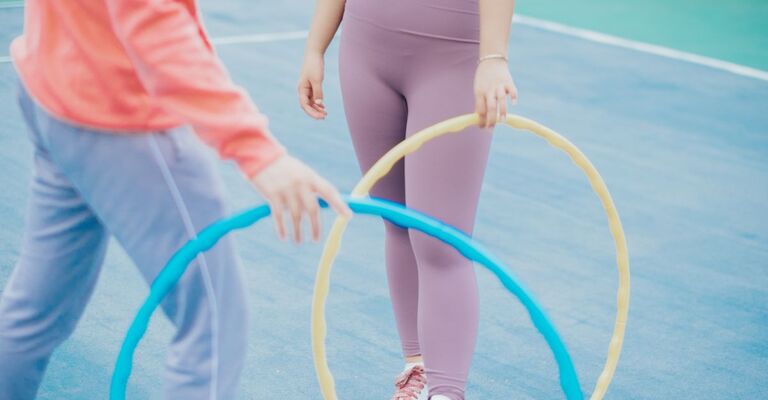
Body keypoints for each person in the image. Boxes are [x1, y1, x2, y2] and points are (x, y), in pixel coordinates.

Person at [0, 1, 351, 399]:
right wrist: (258, 152)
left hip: (53, 81)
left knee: (35, 310)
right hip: (117, 113)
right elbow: (153, 23)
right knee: (214, 321)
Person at [298, 0, 518, 399]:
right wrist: (315, 47)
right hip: (365, 51)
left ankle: (446, 390)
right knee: (397, 222)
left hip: (453, 56)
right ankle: (416, 368)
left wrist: (493, 57)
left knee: (441, 241)